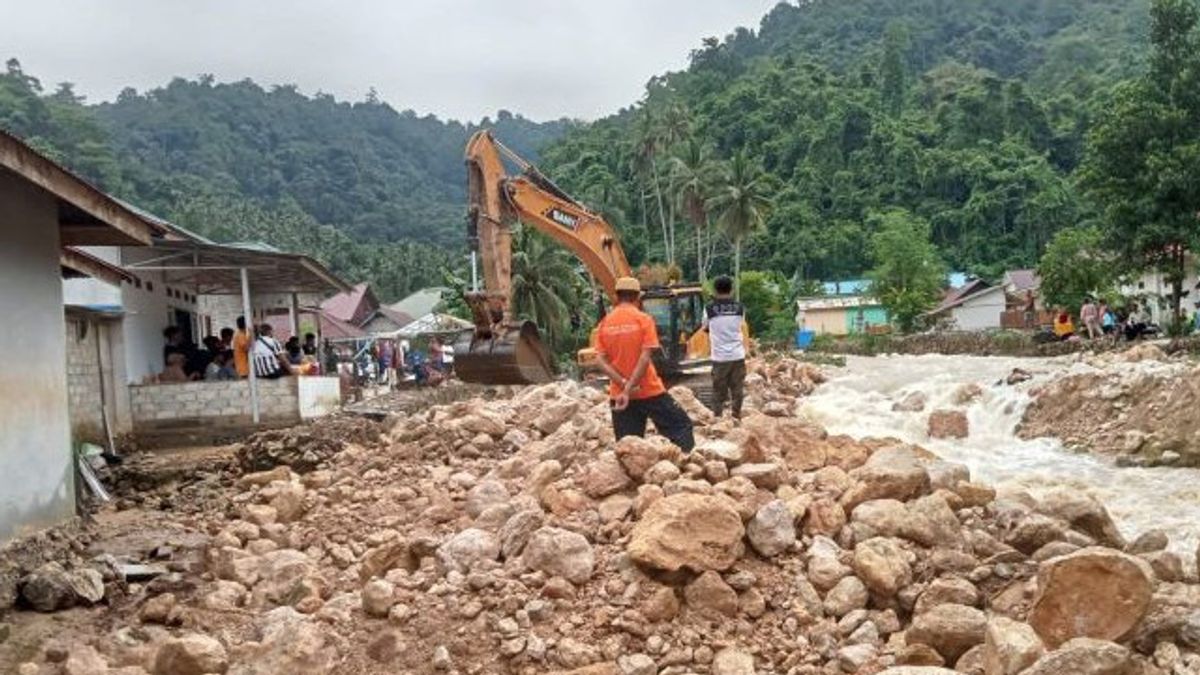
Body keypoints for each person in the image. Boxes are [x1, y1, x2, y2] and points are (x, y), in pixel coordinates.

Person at [595, 276, 695, 452]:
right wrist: (631, 386)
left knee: (629, 446)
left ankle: (635, 478)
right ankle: (685, 469)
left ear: (617, 296)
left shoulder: (604, 324)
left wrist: (623, 385)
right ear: (638, 297)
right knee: (681, 426)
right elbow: (644, 358)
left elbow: (600, 361)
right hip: (649, 390)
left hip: (619, 396)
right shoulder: (644, 320)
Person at [703, 275, 748, 420]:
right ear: (731, 289)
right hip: (737, 355)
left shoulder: (709, 308)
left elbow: (705, 327)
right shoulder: (740, 308)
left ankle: (718, 417)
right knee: (737, 388)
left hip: (720, 357)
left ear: (715, 289)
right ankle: (736, 415)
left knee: (718, 390)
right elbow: (740, 325)